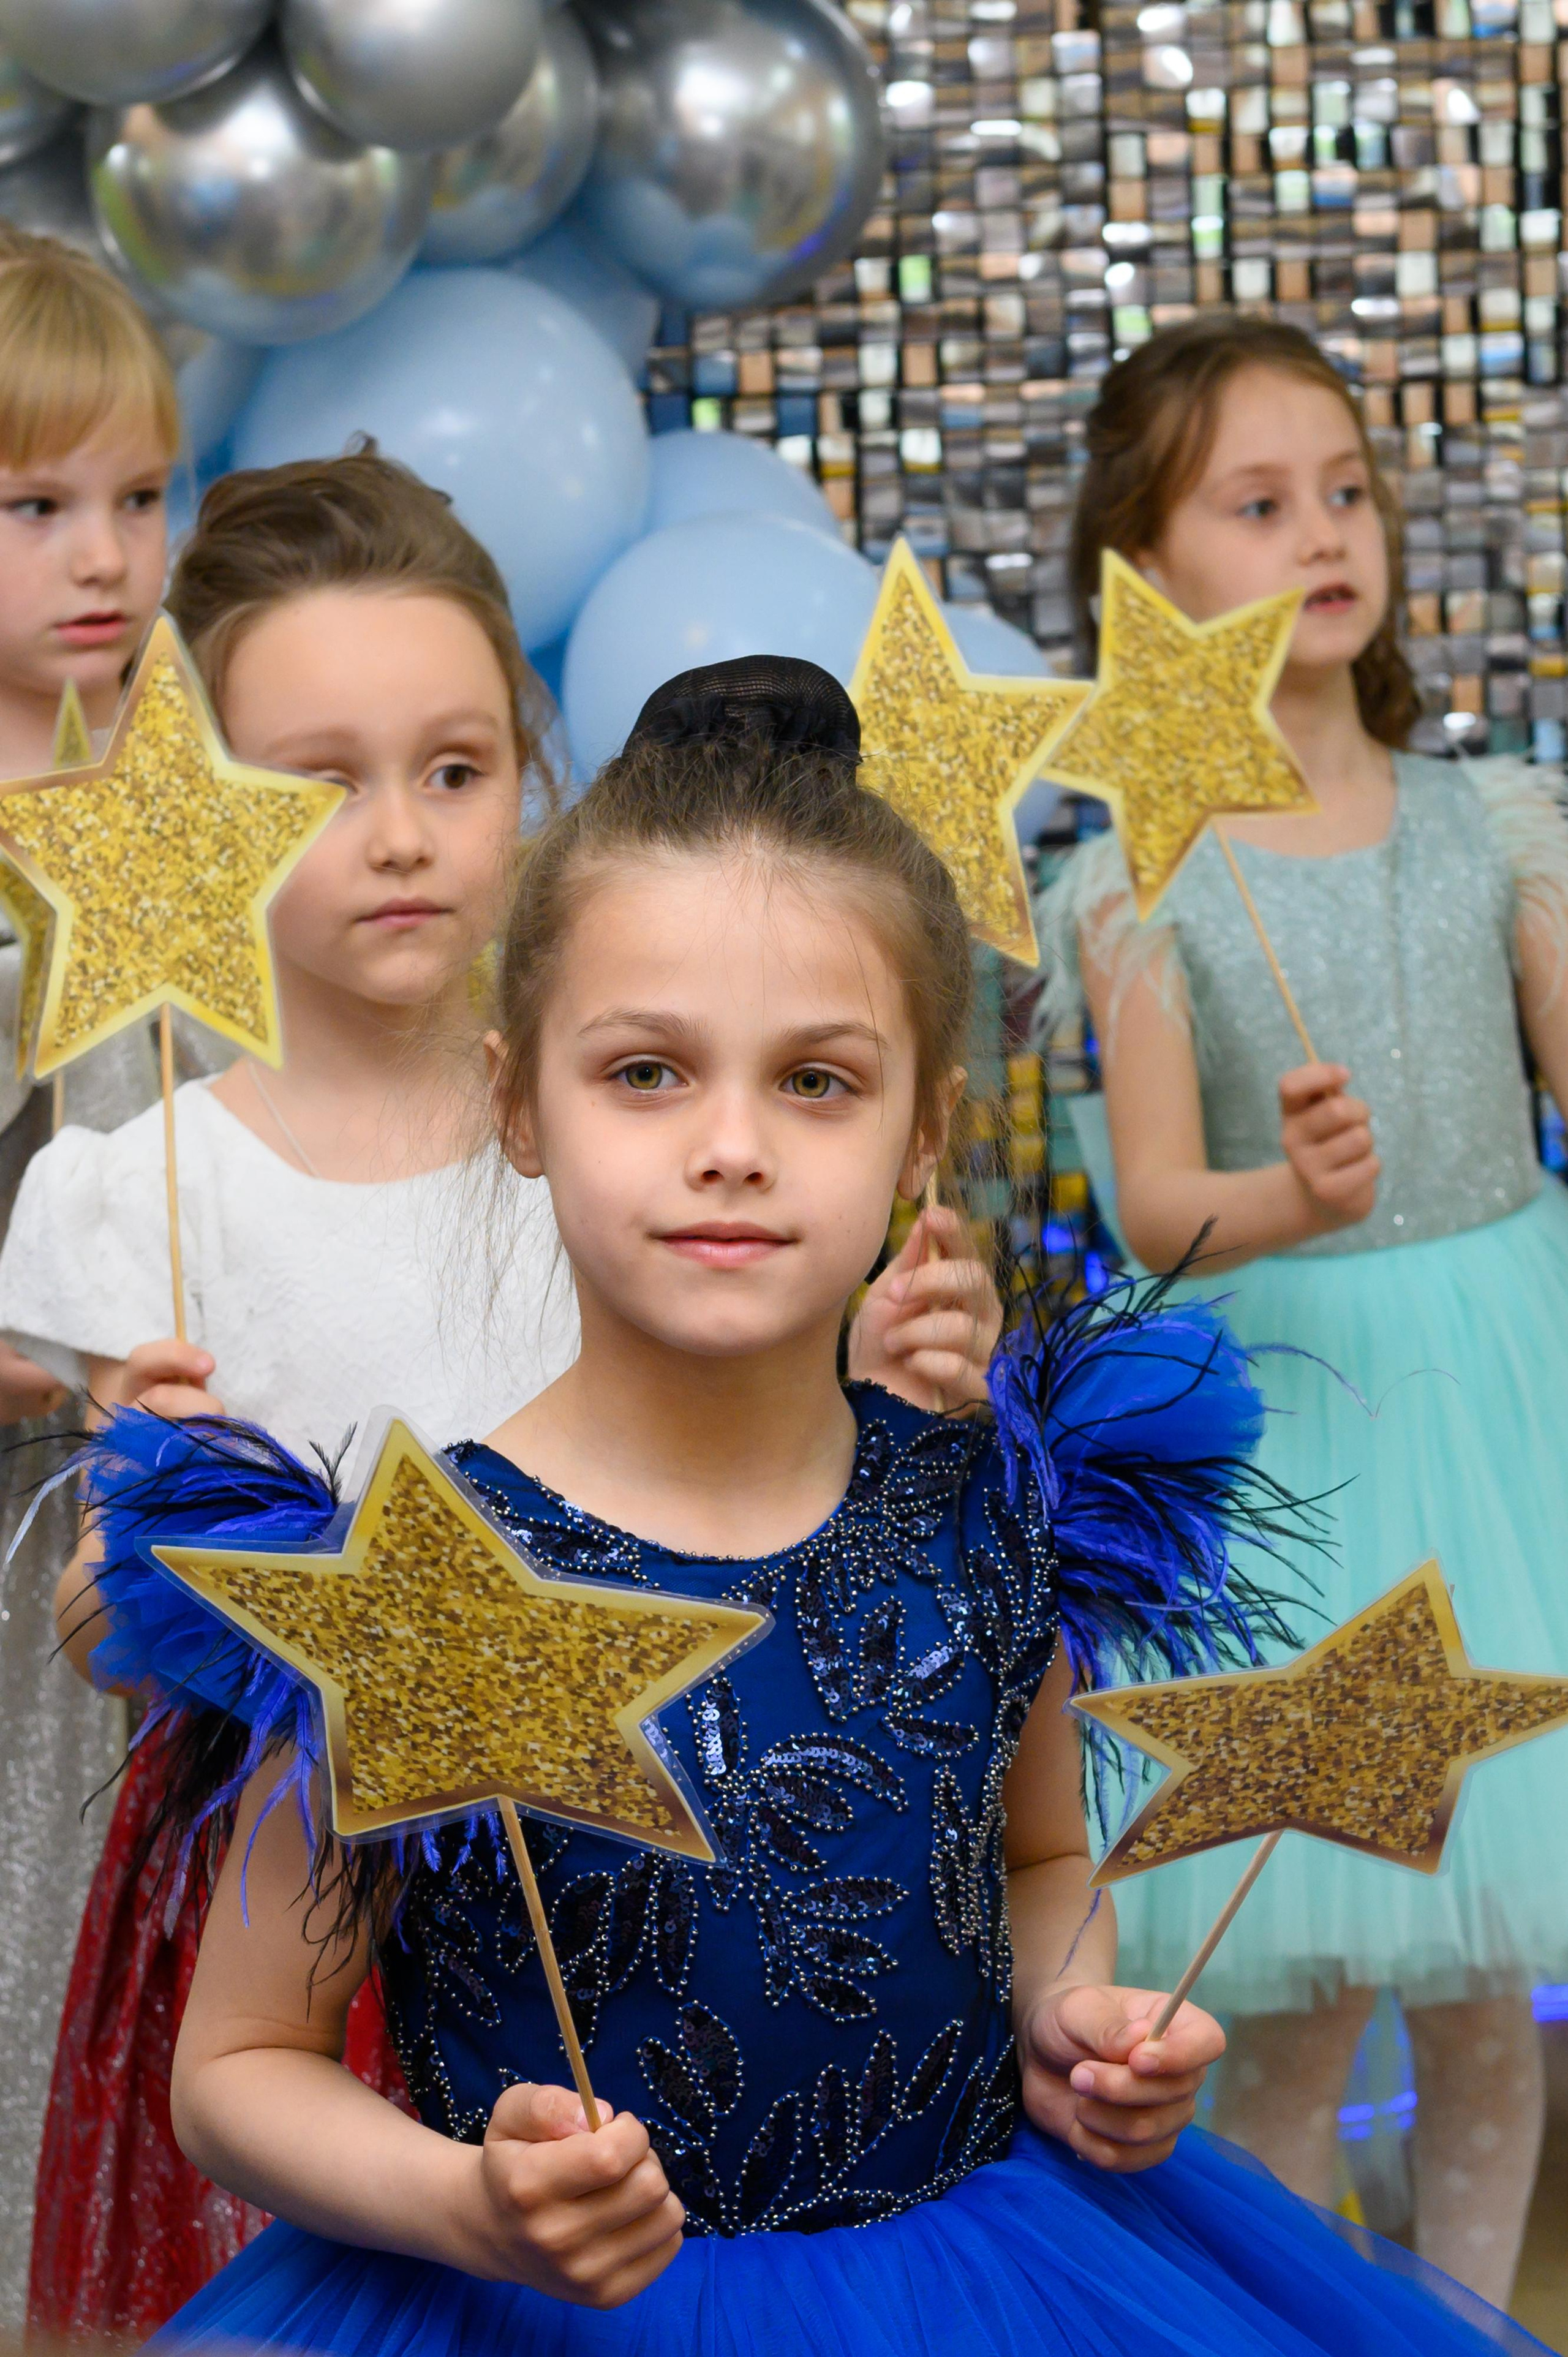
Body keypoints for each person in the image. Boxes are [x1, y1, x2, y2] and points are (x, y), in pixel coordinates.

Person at [76, 655, 1546, 2356]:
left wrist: (1073, 2025)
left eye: (815, 1082)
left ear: (924, 1133)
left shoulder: (996, 1516)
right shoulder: (411, 1586)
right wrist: (466, 2202)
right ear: (516, 1103)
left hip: (983, 2282)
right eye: (646, 1072)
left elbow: (1047, 1858)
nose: (731, 1146)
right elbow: (238, 2067)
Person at [5, 461, 993, 2341]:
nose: (398, 836)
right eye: (319, 785)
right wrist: (134, 1598)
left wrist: (886, 1372)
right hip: (326, 1888)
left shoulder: (645, 1133)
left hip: (673, 1838)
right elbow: (129, 1617)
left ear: (527, 787)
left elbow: (771, 1482)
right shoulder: (145, 1193)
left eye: (455, 773)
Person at [1035, 314, 1568, 2304]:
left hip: (1512, 1409)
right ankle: (1284, 2323)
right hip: (1313, 1434)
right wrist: (1291, 1191)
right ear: (1146, 575)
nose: (1324, 532)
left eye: (1346, 490)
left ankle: (1468, 2322)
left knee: (1489, 1980)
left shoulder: (1490, 822)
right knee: (1313, 1969)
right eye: (1259, 505)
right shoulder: (1142, 880)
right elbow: (1157, 1211)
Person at [0, 221, 179, 2321]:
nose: (102, 556)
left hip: (200, 1533)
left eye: (140, 499)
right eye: (35, 505)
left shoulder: (200, 817)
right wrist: (63, 1379)